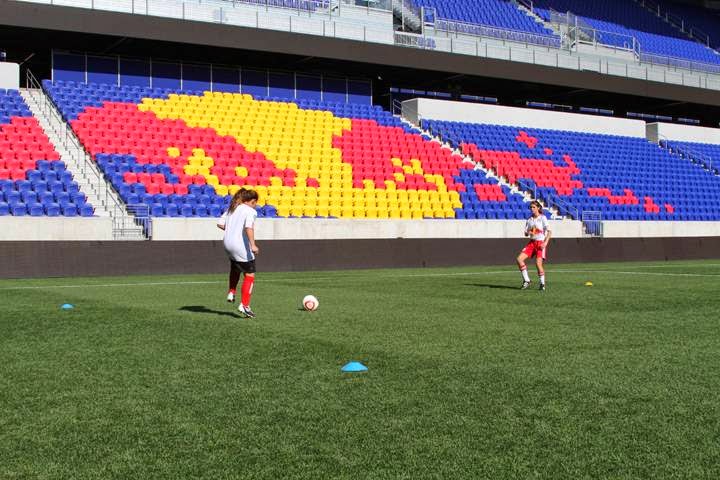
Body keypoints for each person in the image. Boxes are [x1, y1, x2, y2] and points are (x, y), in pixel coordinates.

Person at [217, 188, 260, 317]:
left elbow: (220, 224)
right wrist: (253, 245)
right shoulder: (250, 211)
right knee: (250, 274)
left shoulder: (233, 207)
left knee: (235, 267)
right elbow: (248, 227)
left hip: (227, 243)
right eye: (256, 202)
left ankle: (231, 291)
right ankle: (244, 305)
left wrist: (232, 228)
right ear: (252, 201)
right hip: (239, 245)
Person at [516, 200, 551, 291]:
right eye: (531, 207)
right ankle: (527, 280)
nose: (532, 209)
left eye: (534, 207)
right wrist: (529, 232)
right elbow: (526, 233)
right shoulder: (529, 220)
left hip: (540, 243)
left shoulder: (543, 218)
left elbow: (549, 231)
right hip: (532, 243)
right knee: (519, 259)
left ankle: (542, 284)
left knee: (538, 264)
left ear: (538, 208)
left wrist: (545, 242)